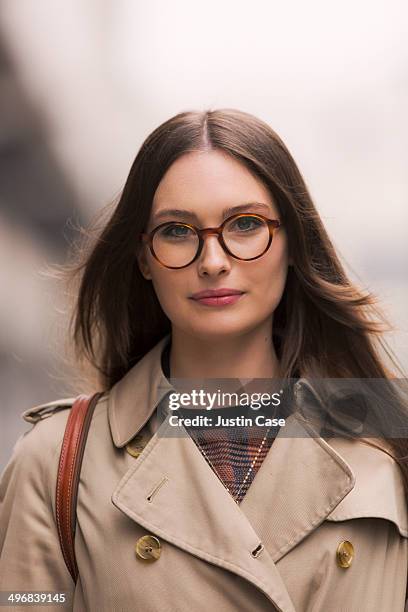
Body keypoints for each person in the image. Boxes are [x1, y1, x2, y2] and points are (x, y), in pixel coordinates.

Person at [1, 108, 407, 612]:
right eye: (177, 231)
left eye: (245, 225)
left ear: (292, 245)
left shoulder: (391, 436)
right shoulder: (57, 461)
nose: (213, 262)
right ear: (144, 257)